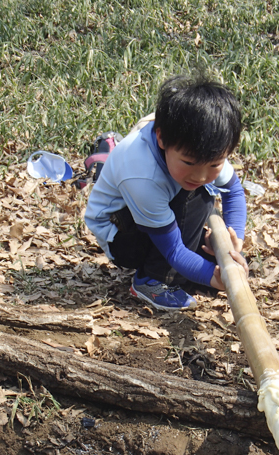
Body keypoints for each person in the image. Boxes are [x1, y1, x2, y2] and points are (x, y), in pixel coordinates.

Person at [85, 73, 248, 311]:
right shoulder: (142, 174)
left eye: (214, 165)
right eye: (189, 163)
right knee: (199, 197)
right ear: (161, 138)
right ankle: (151, 280)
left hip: (159, 215)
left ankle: (180, 273)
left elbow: (233, 191)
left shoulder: (203, 146)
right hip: (120, 234)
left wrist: (234, 246)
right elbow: (173, 249)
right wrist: (215, 278)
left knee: (199, 195)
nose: (201, 175)